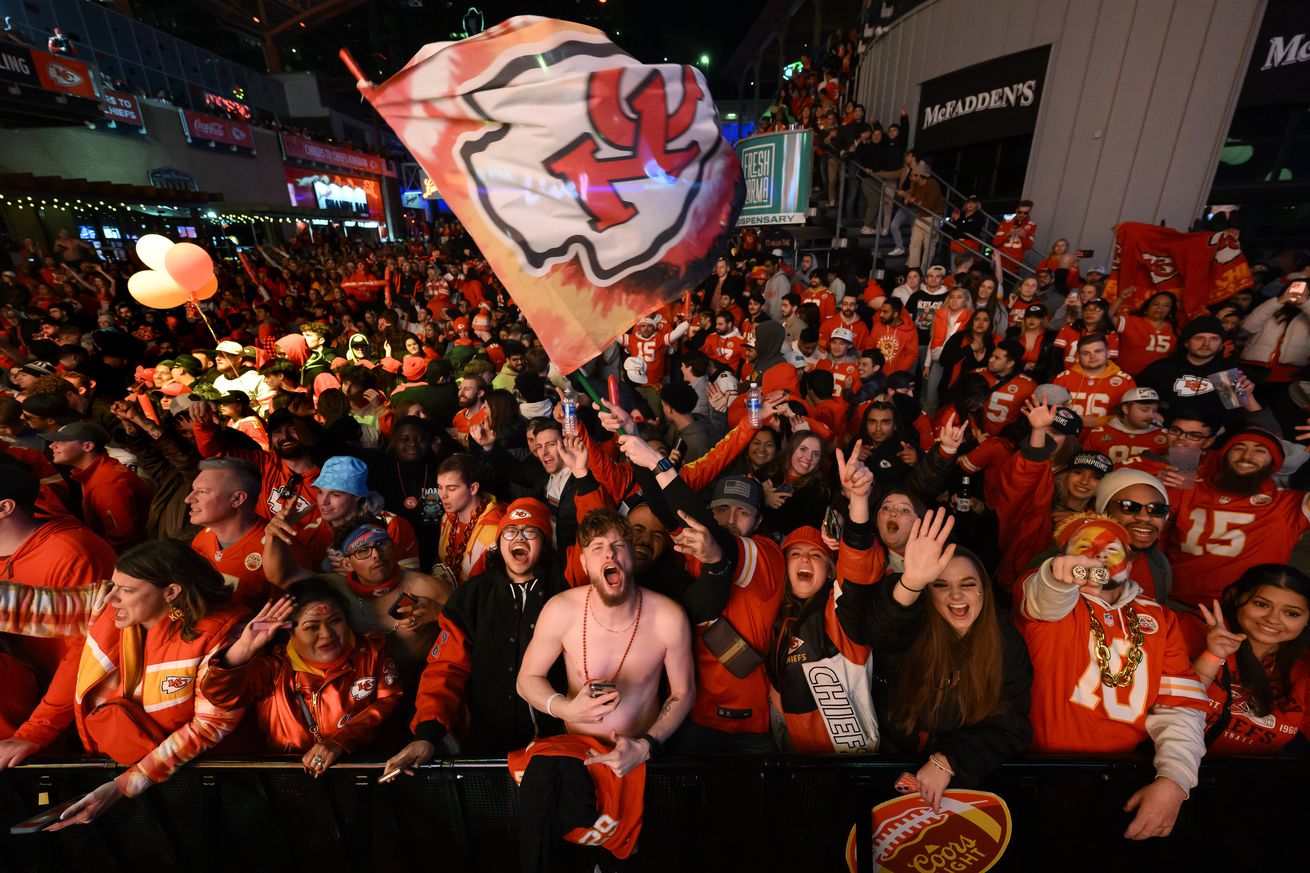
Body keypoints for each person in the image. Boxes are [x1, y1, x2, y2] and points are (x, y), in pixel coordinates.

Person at [0, 541, 248, 828]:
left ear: (171, 592)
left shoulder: (224, 636)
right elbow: (27, 606)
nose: (110, 597)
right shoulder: (107, 607)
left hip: (204, 785)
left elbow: (209, 726)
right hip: (119, 773)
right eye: (113, 585)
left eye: (126, 590)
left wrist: (126, 784)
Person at [513, 509, 695, 867]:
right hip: (578, 756)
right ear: (584, 562)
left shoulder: (667, 616)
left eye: (618, 545)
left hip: (639, 755)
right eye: (597, 548)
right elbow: (526, 679)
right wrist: (566, 708)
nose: (609, 554)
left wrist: (647, 745)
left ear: (631, 556)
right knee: (544, 802)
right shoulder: (562, 610)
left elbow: (683, 692)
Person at [1017, 515, 1208, 840]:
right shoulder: (1044, 591)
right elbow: (1044, 599)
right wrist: (1056, 576)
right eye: (1083, 547)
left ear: (1130, 563)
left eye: (1110, 549)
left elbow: (1179, 706)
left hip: (1124, 773)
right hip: (1038, 771)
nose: (1097, 556)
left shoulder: (1161, 618)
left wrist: (1175, 779)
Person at [838, 509, 1032, 808]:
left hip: (966, 788)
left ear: (984, 590)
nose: (956, 595)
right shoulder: (914, 627)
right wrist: (911, 582)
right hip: (890, 775)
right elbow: (883, 632)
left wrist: (949, 760)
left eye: (968, 584)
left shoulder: (1005, 641)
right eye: (941, 585)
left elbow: (1011, 726)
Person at [386, 498, 561, 764]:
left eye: (529, 531)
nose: (518, 538)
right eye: (510, 531)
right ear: (499, 541)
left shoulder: (565, 587)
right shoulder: (473, 595)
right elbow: (446, 668)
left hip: (556, 744)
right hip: (487, 748)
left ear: (545, 542)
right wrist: (427, 734)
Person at [199, 581, 401, 775]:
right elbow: (220, 696)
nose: (326, 634)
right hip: (291, 781)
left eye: (335, 621)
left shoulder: (371, 654)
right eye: (312, 627)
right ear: (290, 631)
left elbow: (390, 699)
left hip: (362, 775)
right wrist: (244, 648)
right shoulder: (275, 670)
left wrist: (339, 742)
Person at [767, 445, 882, 753]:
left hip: (847, 761)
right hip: (793, 756)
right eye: (795, 554)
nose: (805, 559)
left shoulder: (838, 611)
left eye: (816, 555)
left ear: (831, 570)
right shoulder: (775, 614)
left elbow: (858, 570)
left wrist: (858, 501)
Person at [1166, 427, 1310, 607]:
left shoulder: (1287, 503)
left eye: (1260, 451)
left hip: (1242, 611)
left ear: (1274, 462)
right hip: (1171, 602)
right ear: (1224, 456)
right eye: (1239, 448)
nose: (1247, 456)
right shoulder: (1187, 486)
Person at [1186, 565, 1310, 754]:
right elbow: (1172, 705)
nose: (1273, 619)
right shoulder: (1189, 629)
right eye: (1261, 604)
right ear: (1236, 597)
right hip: (1166, 763)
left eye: (1292, 613)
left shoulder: (1303, 671)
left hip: (1250, 772)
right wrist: (1212, 655)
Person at [42, 421, 151, 549]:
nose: (52, 446)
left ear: (88, 446)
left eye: (62, 441)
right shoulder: (98, 472)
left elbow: (122, 539)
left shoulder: (106, 483)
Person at [186, 457, 278, 608]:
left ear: (237, 499)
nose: (188, 499)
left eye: (202, 492)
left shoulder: (279, 549)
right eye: (193, 490)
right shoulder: (201, 538)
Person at [1094, 468, 1174, 602]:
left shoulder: (1159, 563)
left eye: (1157, 509)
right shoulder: (1073, 558)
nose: (1144, 517)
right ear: (1104, 513)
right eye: (1129, 506)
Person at [435, 453, 503, 583]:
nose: (443, 495)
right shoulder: (446, 518)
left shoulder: (495, 531)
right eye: (439, 487)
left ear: (473, 488)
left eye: (451, 489)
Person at [1051, 334, 1136, 428]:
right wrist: (1073, 421)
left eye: (1098, 351)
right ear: (1078, 357)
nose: (1092, 356)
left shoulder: (1125, 381)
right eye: (1086, 353)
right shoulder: (1063, 378)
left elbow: (1131, 415)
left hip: (1107, 434)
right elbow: (1051, 411)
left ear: (1108, 353)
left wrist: (1099, 422)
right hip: (1067, 434)